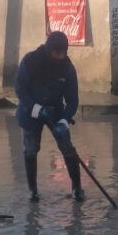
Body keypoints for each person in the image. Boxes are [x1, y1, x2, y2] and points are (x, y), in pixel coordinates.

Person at [15, 31, 84, 203]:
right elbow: (21, 90)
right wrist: (37, 109)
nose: (59, 57)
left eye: (63, 53)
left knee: (67, 148)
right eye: (56, 53)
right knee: (30, 149)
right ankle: (33, 191)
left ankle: (77, 188)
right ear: (48, 49)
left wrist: (64, 121)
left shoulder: (67, 69)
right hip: (30, 111)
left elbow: (73, 100)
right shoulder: (30, 62)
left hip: (55, 111)